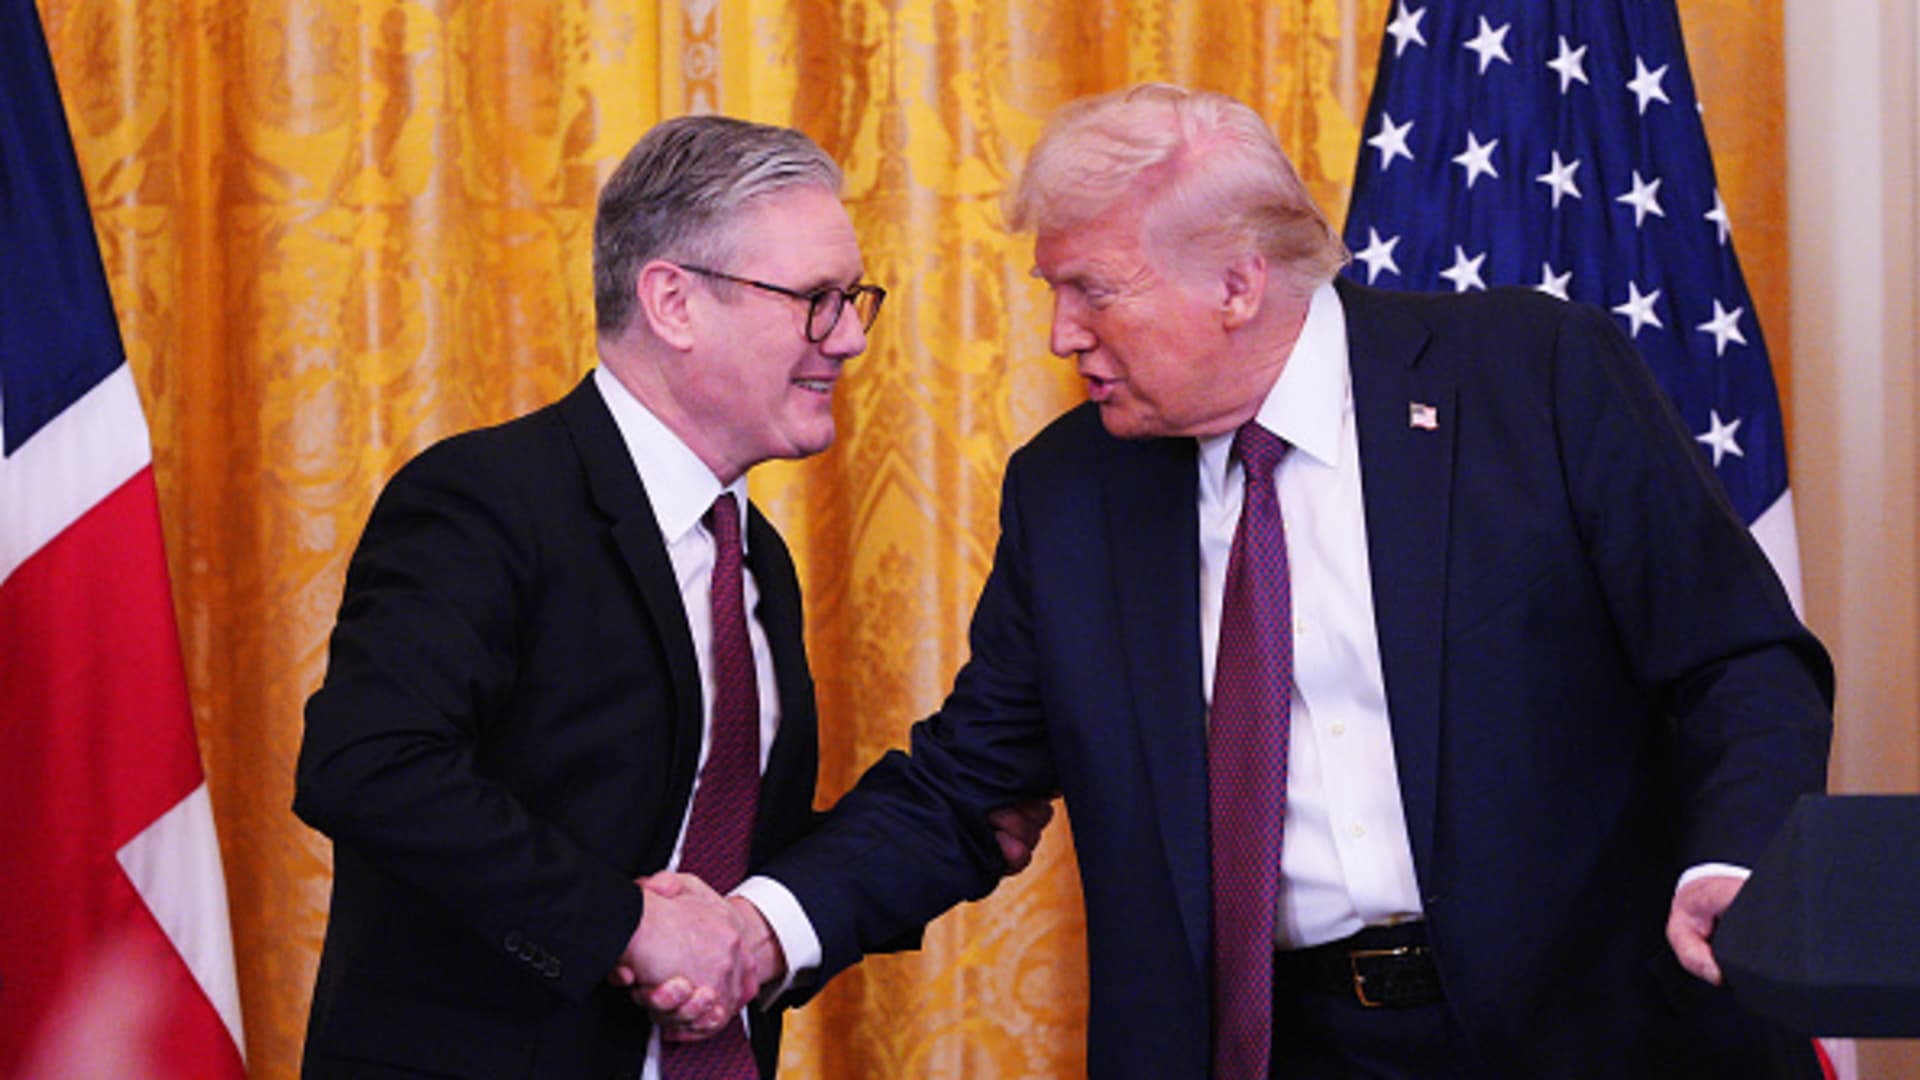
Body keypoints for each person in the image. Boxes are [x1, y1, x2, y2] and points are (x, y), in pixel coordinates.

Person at [707, 84, 1834, 1077]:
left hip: (1594, 1033)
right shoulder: (1071, 492)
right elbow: (967, 789)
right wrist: (762, 928)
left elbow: (1738, 661)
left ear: (1240, 284)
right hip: (1276, 1049)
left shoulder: (1531, 377)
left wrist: (1730, 861)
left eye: (1093, 290)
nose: (1059, 335)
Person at [293, 114, 1036, 1079]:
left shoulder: (752, 554)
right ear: (674, 303)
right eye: (816, 299)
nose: (850, 338)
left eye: (853, 299)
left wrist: (947, 831)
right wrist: (623, 926)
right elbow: (369, 765)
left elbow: (702, 853)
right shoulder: (486, 497)